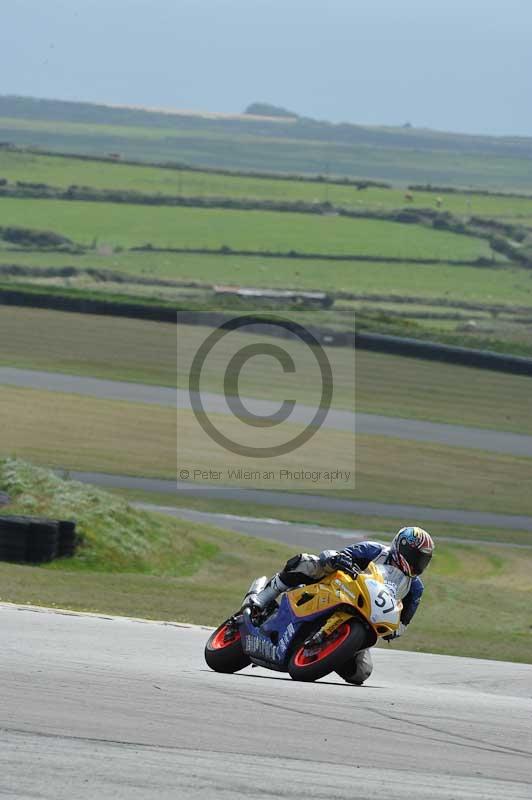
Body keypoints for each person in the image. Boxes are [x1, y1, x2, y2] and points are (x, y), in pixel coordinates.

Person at [244, 526, 434, 685]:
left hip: (367, 615)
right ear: (402, 548)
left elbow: (403, 624)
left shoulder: (415, 588)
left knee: (362, 672)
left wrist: (393, 630)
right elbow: (341, 555)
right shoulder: (374, 550)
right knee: (308, 563)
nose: (418, 562)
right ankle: (263, 597)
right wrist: (338, 559)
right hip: (338, 588)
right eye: (415, 556)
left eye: (423, 559)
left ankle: (330, 653)